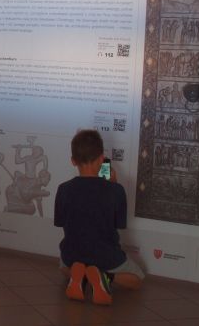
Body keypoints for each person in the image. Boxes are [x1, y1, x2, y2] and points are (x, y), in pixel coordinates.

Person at [54, 129, 144, 306]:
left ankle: (80, 276)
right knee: (137, 279)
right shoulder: (116, 191)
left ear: (73, 161)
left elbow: (60, 222)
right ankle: (105, 276)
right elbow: (119, 224)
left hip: (72, 253)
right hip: (106, 256)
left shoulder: (63, 189)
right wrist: (113, 184)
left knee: (63, 267)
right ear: (102, 159)